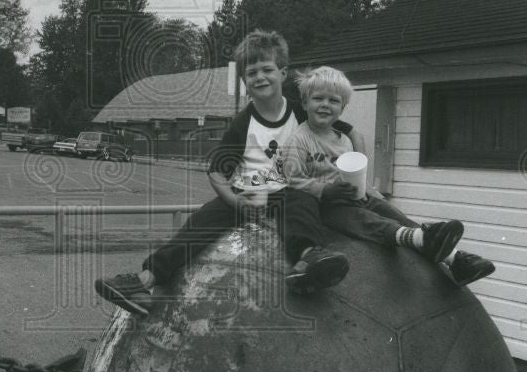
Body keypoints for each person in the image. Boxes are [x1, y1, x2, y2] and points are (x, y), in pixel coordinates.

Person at [95, 30, 351, 316]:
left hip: (288, 189)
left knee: (302, 202)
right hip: (247, 193)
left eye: (267, 69)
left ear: (283, 72)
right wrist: (236, 202)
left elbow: (343, 132)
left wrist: (352, 166)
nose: (260, 77)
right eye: (251, 73)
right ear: (244, 82)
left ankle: (310, 258)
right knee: (201, 221)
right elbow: (217, 173)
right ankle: (144, 282)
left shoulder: (299, 113)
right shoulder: (242, 124)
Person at [285, 65, 496, 287]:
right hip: (328, 206)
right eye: (318, 98)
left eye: (333, 100)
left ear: (343, 108)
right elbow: (292, 181)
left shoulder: (344, 140)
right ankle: (417, 239)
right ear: (305, 102)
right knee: (367, 221)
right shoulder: (299, 140)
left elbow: (352, 174)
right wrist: (326, 190)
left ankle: (454, 259)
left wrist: (363, 190)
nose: (325, 105)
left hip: (351, 198)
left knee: (389, 211)